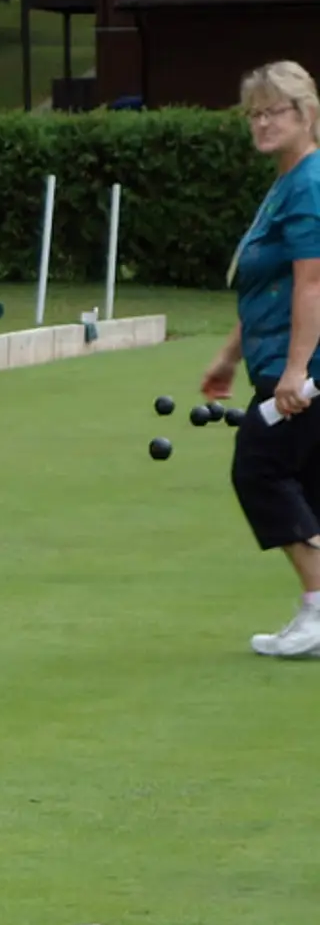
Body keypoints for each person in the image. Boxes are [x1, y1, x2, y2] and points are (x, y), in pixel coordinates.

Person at [201, 59, 320, 658]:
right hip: (276, 355)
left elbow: (312, 282)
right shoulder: (289, 179)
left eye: (276, 111)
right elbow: (264, 286)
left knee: (260, 469)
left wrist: (297, 371)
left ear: (306, 115)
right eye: (255, 114)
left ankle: (317, 611)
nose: (263, 123)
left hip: (304, 368)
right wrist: (228, 357)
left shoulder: (310, 185)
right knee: (305, 481)